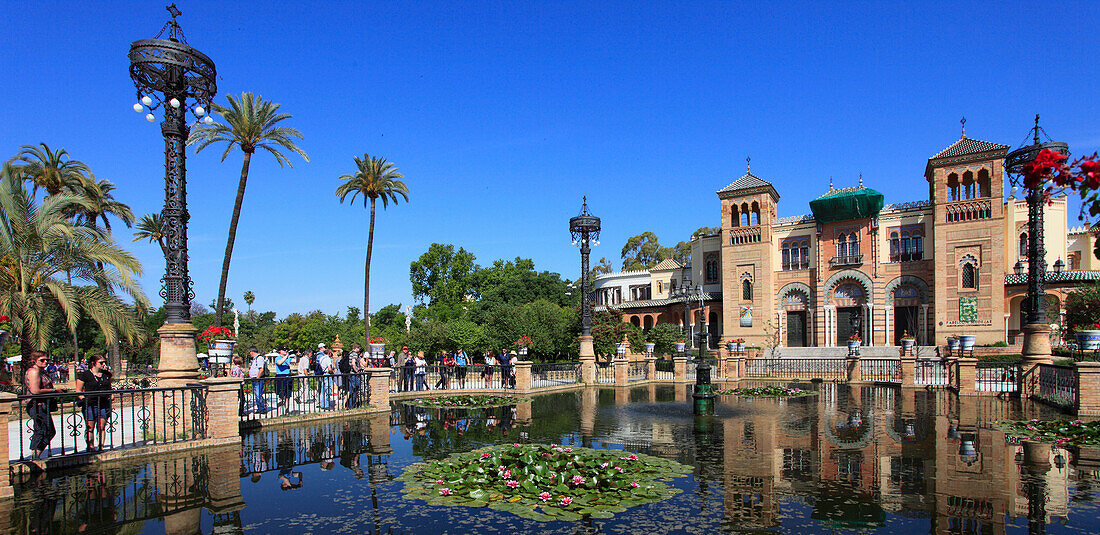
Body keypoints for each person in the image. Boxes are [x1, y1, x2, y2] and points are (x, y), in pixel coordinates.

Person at [24, 351, 64, 459]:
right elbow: (35, 390)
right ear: (34, 361)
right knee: (42, 430)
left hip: (43, 404)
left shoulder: (42, 372)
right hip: (36, 405)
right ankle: (35, 456)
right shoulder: (34, 372)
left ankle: (36, 454)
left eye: (47, 360)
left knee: (48, 430)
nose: (45, 362)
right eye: (42, 360)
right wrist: (54, 390)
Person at [76, 354, 113, 452]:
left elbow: (109, 387)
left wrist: (110, 396)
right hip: (90, 404)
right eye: (101, 362)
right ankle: (90, 446)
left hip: (103, 403)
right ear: (93, 363)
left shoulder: (106, 374)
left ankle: (101, 446)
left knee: (102, 426)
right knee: (90, 426)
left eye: (104, 362)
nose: (103, 364)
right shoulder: (85, 375)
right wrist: (83, 399)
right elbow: (78, 390)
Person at [248, 347, 268, 414]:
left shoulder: (259, 358)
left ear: (252, 352)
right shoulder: (255, 359)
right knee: (257, 394)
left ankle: (262, 408)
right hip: (255, 378)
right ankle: (259, 408)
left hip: (258, 379)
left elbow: (261, 369)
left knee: (258, 394)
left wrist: (257, 378)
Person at [273, 347, 293, 412]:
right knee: (280, 394)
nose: (285, 351)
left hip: (288, 376)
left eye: (286, 350)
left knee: (288, 395)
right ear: (280, 351)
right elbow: (279, 363)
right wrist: (286, 356)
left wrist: (296, 354)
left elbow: (296, 361)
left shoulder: (288, 358)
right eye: (284, 350)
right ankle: (280, 411)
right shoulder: (277, 358)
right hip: (280, 377)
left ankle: (287, 410)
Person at [317, 346, 334, 410]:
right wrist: (332, 373)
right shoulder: (328, 359)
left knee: (323, 390)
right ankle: (326, 404)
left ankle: (322, 404)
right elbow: (329, 368)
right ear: (329, 353)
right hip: (327, 374)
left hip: (323, 373)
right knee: (328, 389)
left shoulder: (321, 358)